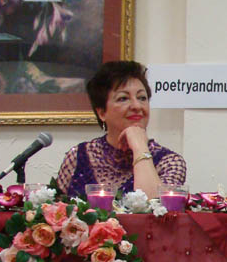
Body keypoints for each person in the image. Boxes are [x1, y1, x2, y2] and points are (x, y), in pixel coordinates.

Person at [57, 60, 186, 199]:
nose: (137, 106)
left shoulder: (169, 163)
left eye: (142, 98)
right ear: (102, 113)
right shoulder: (78, 157)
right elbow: (55, 209)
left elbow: (154, 206)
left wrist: (139, 147)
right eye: (123, 98)